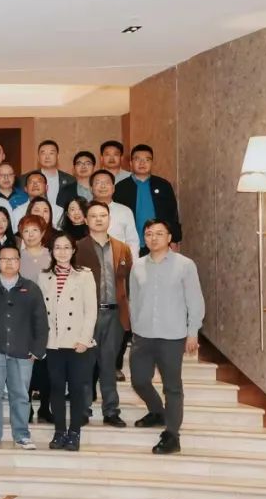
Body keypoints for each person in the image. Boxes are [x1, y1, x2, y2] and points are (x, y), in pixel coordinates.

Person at [129, 219, 205, 455]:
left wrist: (193, 332)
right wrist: (134, 328)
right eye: (149, 234)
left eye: (159, 233)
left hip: (172, 336)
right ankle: (157, 411)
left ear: (169, 238)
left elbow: (195, 300)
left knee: (172, 387)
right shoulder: (137, 266)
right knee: (139, 380)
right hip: (143, 335)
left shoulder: (185, 265)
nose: (153, 238)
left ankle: (172, 435)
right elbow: (134, 300)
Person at [0, 244, 49, 450]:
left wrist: (38, 350)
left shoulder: (31, 289)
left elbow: (41, 322)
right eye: (4, 259)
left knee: (21, 396)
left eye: (13, 259)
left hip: (22, 351)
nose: (9, 263)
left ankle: (22, 435)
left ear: (19, 262)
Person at [75, 201, 133, 428]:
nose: (98, 219)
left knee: (109, 364)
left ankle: (111, 411)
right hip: (87, 315)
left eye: (103, 215)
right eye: (93, 216)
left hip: (115, 315)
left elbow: (129, 282)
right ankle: (83, 410)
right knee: (85, 364)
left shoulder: (122, 248)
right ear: (86, 220)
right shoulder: (77, 247)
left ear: (109, 219)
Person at [39, 232, 97, 451]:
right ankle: (59, 431)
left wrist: (84, 339)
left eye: (66, 247)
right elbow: (41, 312)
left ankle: (74, 432)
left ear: (73, 250)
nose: (62, 252)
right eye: (57, 247)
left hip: (76, 342)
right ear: (51, 251)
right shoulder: (44, 276)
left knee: (76, 388)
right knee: (55, 387)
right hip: (53, 342)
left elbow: (91, 311)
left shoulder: (84, 275)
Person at [113, 145, 182, 254]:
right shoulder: (120, 188)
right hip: (130, 245)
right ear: (131, 163)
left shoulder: (163, 185)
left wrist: (174, 239)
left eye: (147, 160)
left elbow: (172, 214)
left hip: (160, 243)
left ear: (152, 163)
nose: (142, 163)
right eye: (137, 159)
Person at [18, 213, 53, 422]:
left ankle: (45, 407)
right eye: (26, 231)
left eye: (35, 230)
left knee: (47, 366)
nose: (30, 235)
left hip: (48, 318)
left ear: (43, 233)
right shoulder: (17, 257)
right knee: (25, 366)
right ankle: (27, 408)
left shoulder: (52, 256)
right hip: (22, 318)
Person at [89, 169, 140, 259]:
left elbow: (132, 241)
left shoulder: (125, 211)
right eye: (98, 183)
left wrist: (131, 263)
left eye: (107, 183)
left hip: (120, 261)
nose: (103, 186)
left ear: (113, 188)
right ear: (91, 189)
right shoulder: (83, 210)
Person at [23, 140, 76, 208]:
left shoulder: (70, 180)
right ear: (38, 157)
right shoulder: (25, 179)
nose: (47, 157)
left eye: (51, 153)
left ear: (57, 156)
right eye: (43, 153)